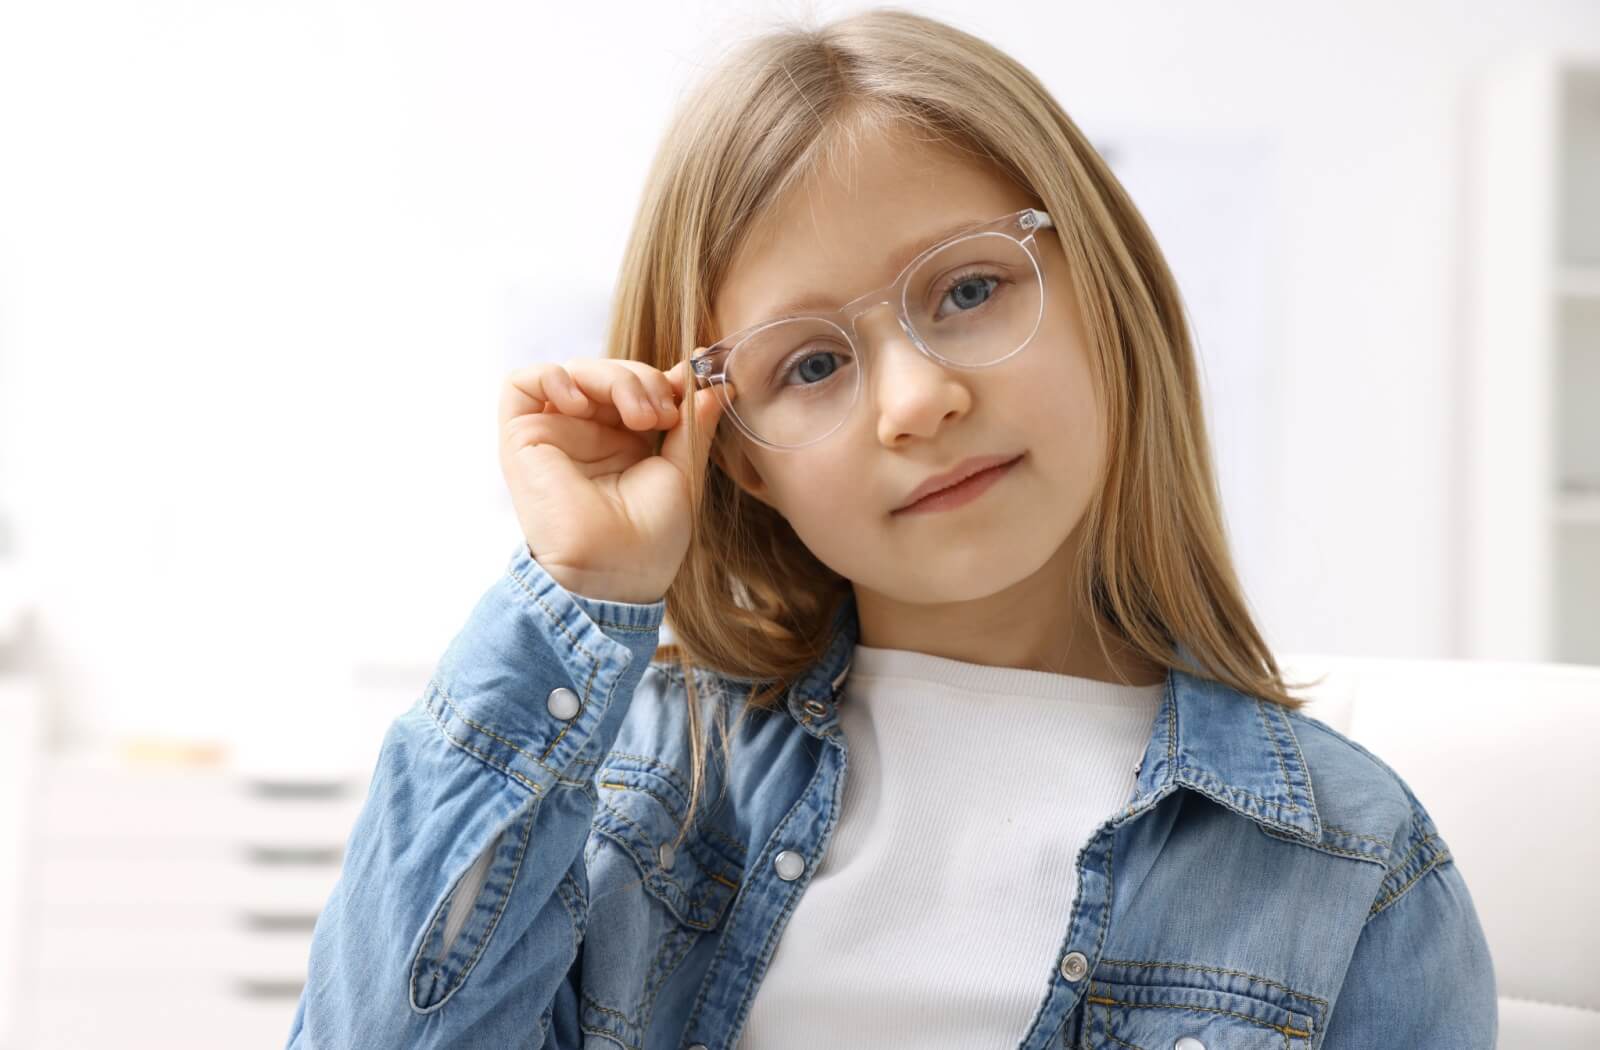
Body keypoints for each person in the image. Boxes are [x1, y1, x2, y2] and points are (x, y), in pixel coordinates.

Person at [286, 8, 1497, 1049]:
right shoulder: (643, 785)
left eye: (968, 291)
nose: (918, 402)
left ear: (1106, 294)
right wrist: (578, 590)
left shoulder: (1352, 866)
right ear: (737, 459)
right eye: (811, 365)